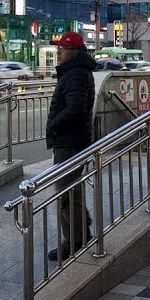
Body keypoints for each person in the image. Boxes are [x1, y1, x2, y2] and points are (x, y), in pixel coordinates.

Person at [45, 31, 96, 261]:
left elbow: (75, 109)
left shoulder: (75, 74)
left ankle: (73, 242)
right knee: (72, 191)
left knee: (66, 193)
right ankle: (81, 234)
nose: (58, 52)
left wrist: (54, 126)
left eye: (62, 49)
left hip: (70, 141)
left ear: (73, 52)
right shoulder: (76, 71)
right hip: (73, 140)